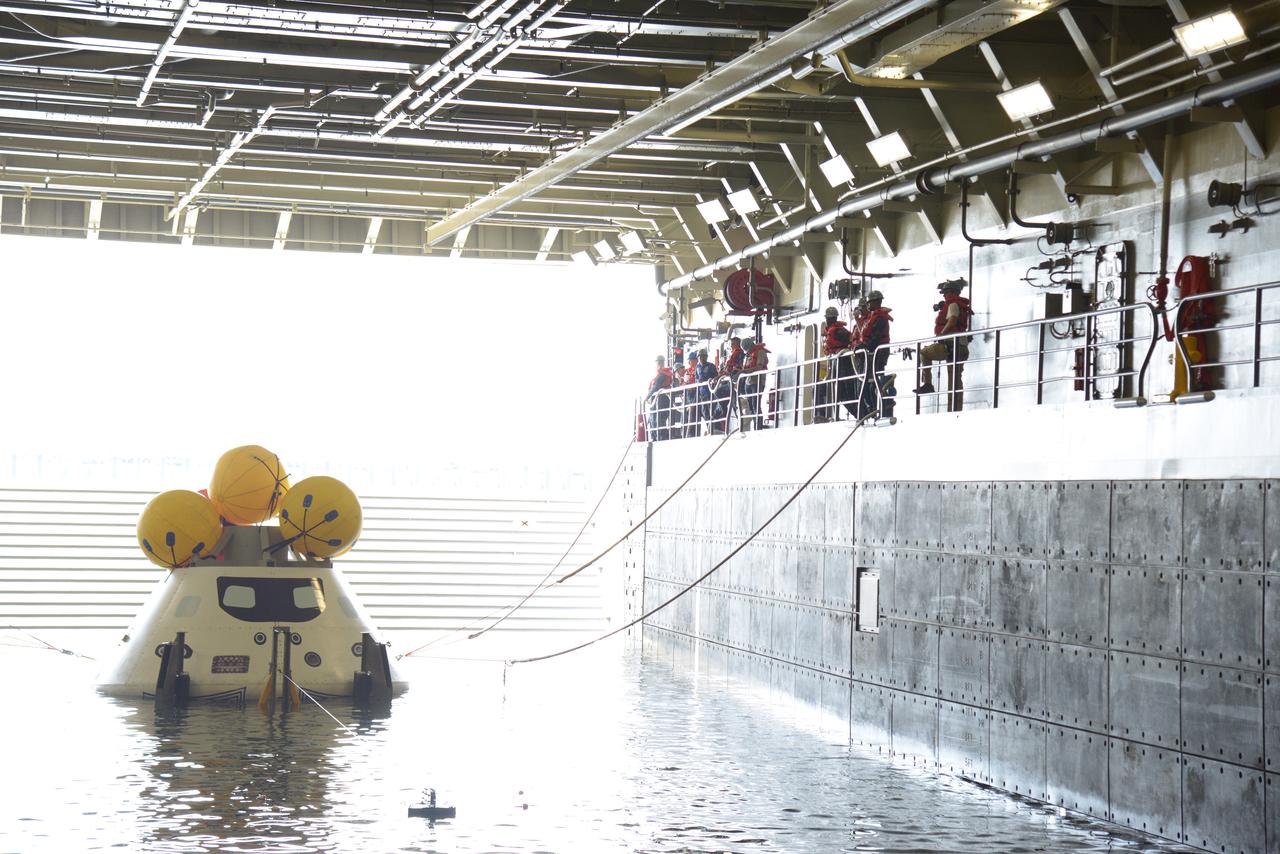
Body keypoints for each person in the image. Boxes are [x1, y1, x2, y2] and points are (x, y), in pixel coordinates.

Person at [914, 279, 973, 411]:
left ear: (952, 292)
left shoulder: (953, 305)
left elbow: (952, 320)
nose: (944, 295)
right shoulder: (957, 304)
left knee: (924, 353)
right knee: (955, 379)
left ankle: (928, 383)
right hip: (960, 346)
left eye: (945, 292)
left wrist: (941, 334)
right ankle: (954, 409)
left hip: (952, 345)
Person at [855, 290, 893, 418]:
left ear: (876, 302)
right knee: (869, 384)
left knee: (872, 384)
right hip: (871, 355)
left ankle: (881, 406)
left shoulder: (880, 318)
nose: (867, 304)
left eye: (869, 302)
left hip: (877, 354)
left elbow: (875, 337)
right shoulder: (872, 317)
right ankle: (873, 409)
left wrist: (865, 347)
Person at [815, 307, 847, 423]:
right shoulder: (831, 331)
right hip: (833, 363)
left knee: (838, 391)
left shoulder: (839, 331)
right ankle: (822, 414)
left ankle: (835, 415)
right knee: (821, 388)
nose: (828, 320)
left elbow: (850, 341)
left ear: (833, 318)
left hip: (841, 364)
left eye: (829, 318)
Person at [713, 337, 744, 431]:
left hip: (734, 381)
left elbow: (736, 368)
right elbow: (728, 369)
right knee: (722, 398)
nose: (731, 346)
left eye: (733, 344)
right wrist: (719, 376)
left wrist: (723, 375)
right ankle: (722, 420)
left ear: (738, 344)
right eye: (731, 344)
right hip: (729, 380)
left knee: (733, 403)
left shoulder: (740, 354)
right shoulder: (734, 354)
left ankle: (739, 425)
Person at [740, 336, 770, 430]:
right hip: (748, 382)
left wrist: (745, 371)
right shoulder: (749, 355)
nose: (747, 352)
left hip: (757, 381)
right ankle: (756, 423)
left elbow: (759, 367)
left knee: (755, 404)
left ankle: (759, 425)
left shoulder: (760, 352)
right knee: (750, 406)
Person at [645, 355, 675, 440]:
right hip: (657, 401)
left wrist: (647, 397)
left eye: (660, 362)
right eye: (658, 362)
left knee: (659, 420)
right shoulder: (660, 374)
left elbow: (656, 387)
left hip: (661, 400)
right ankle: (655, 436)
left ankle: (660, 437)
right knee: (653, 419)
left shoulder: (662, 375)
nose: (659, 364)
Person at [695, 349, 716, 433]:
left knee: (712, 410)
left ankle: (713, 428)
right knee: (705, 412)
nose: (702, 358)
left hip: (710, 392)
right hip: (702, 393)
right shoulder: (697, 367)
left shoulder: (711, 366)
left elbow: (715, 376)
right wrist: (698, 381)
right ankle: (709, 428)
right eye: (700, 356)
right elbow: (696, 377)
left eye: (704, 356)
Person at [682, 351, 700, 437]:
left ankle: (694, 434)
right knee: (688, 416)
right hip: (688, 394)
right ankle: (688, 434)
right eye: (689, 360)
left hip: (697, 393)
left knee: (695, 415)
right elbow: (683, 382)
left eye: (691, 360)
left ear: (696, 360)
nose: (689, 362)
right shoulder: (687, 371)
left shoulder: (699, 368)